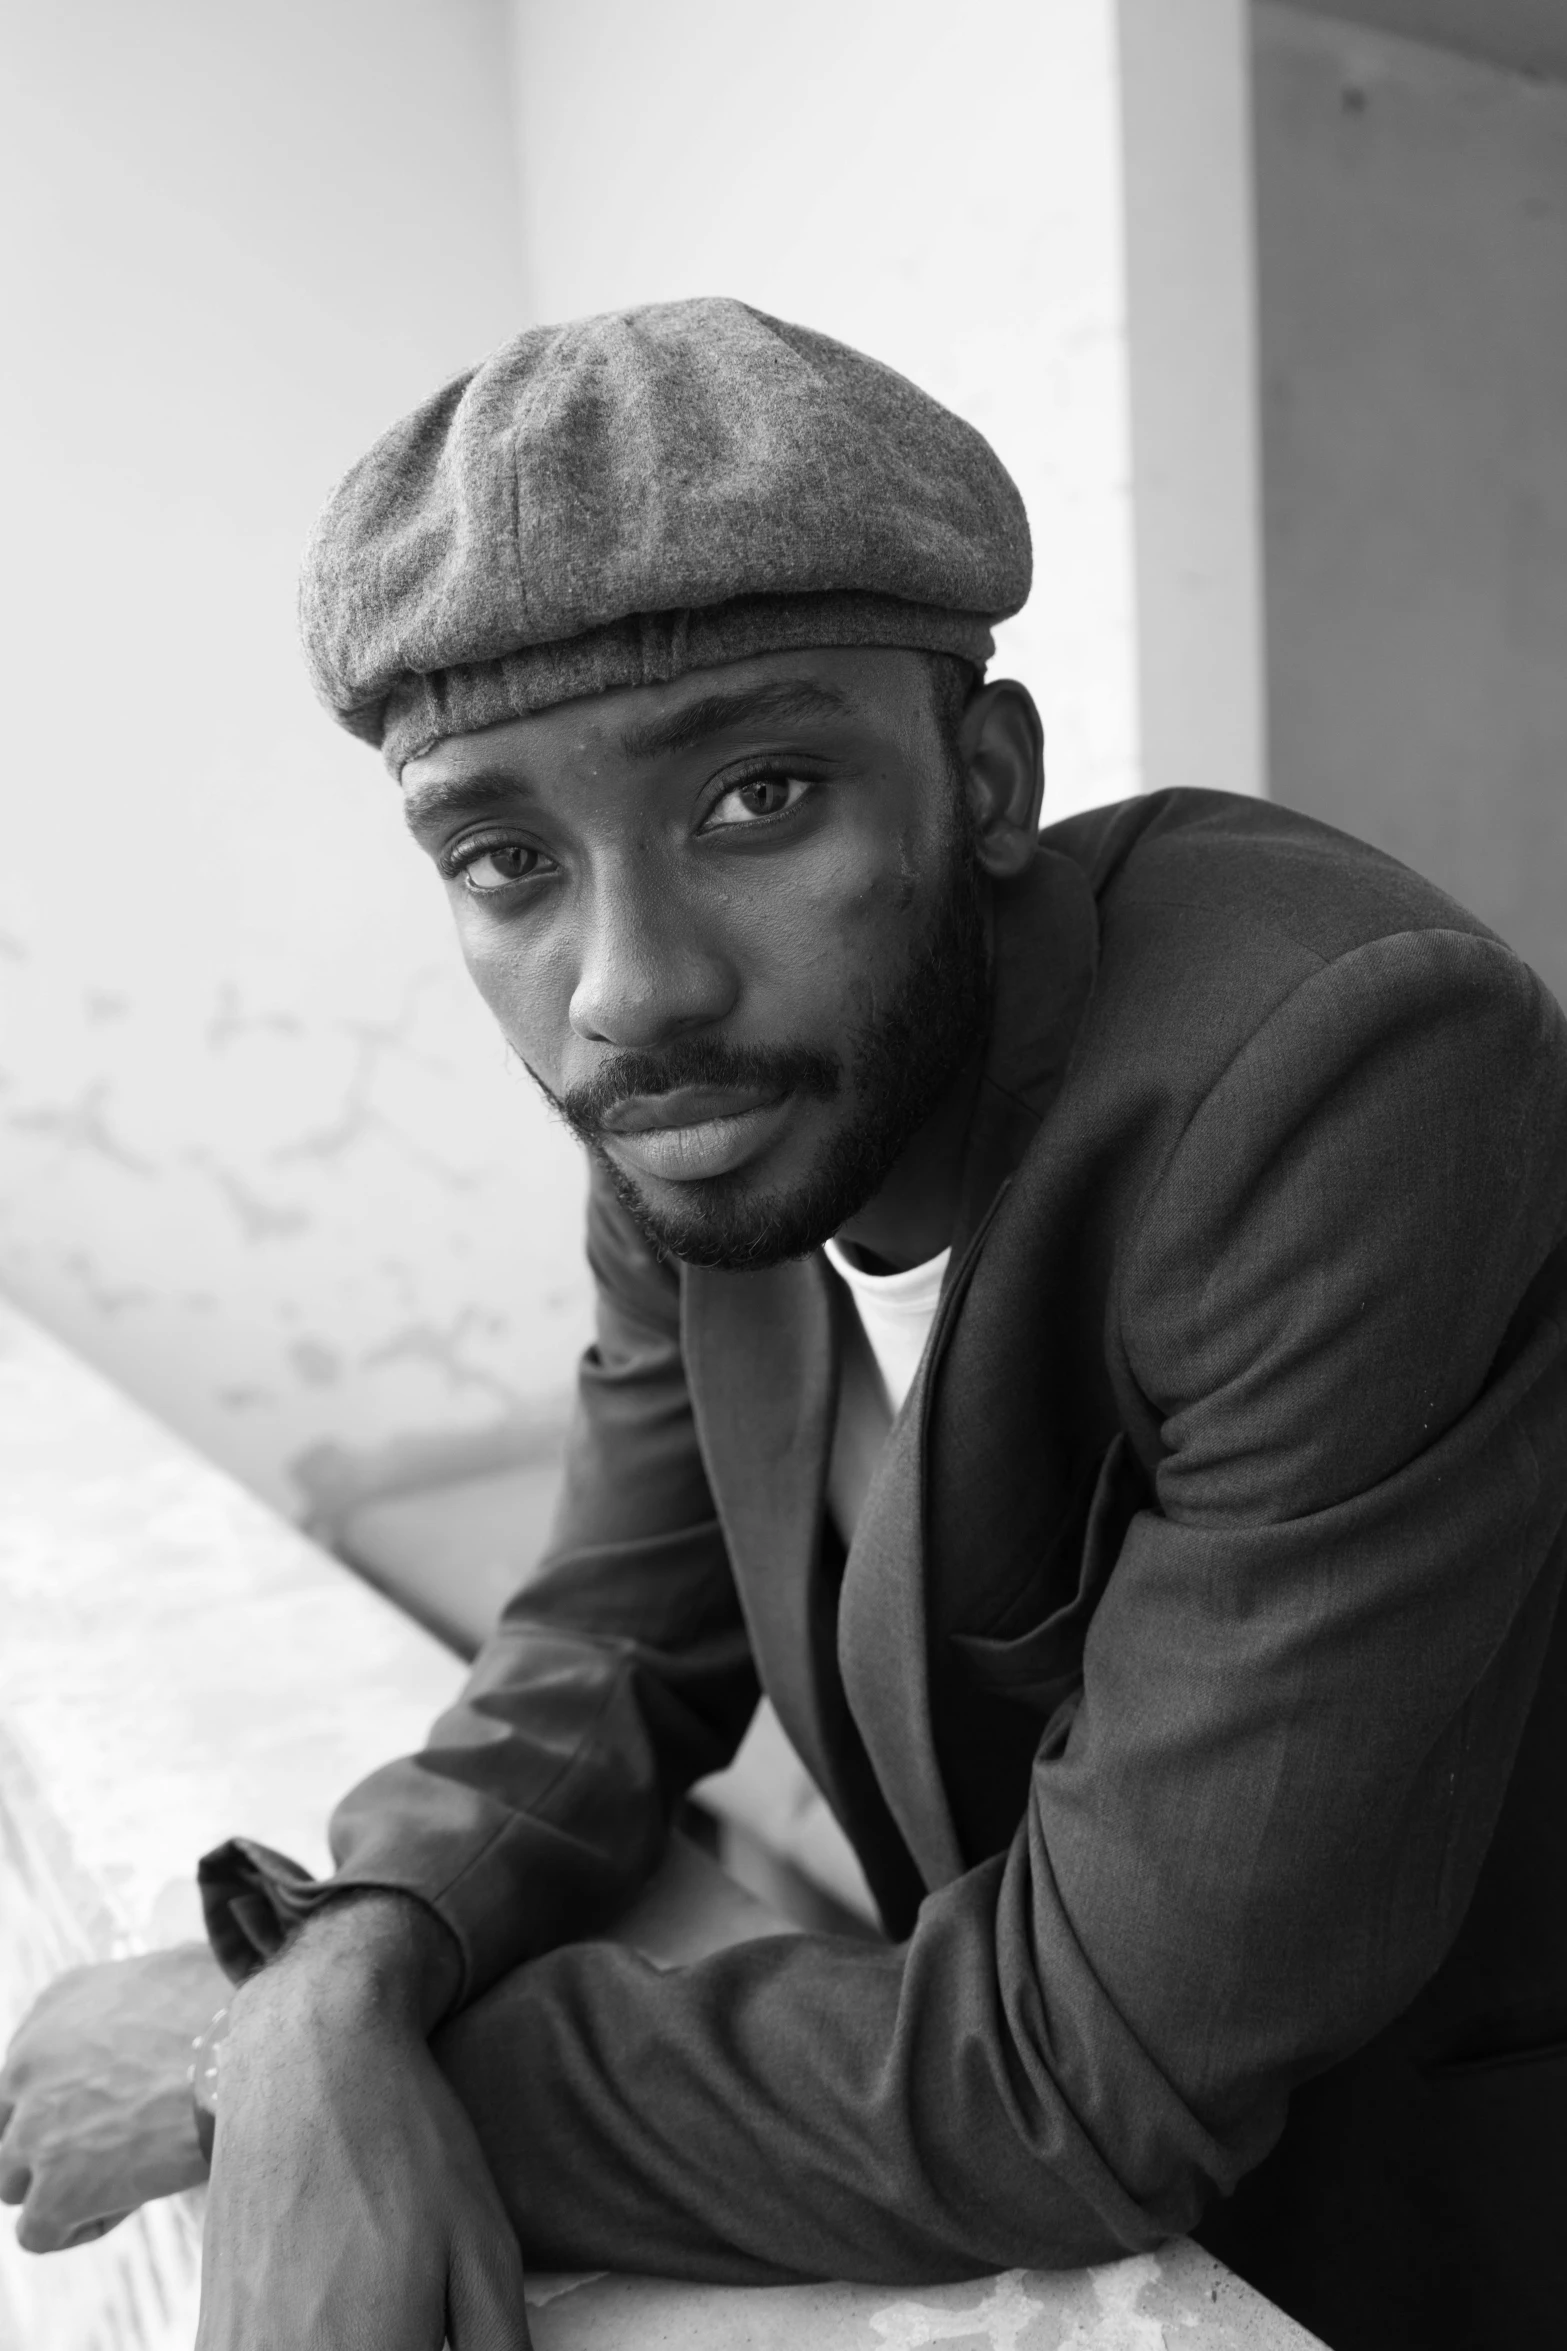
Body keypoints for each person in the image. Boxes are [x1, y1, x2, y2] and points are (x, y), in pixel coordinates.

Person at [3, 298, 1566, 2351]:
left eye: (756, 796)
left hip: (1434, 2208)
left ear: (981, 776)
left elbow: (1078, 2069)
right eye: (504, 856)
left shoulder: (1343, 1081)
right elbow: (612, 1632)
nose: (627, 984)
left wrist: (271, 2075)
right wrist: (340, 1963)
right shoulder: (720, 1116)